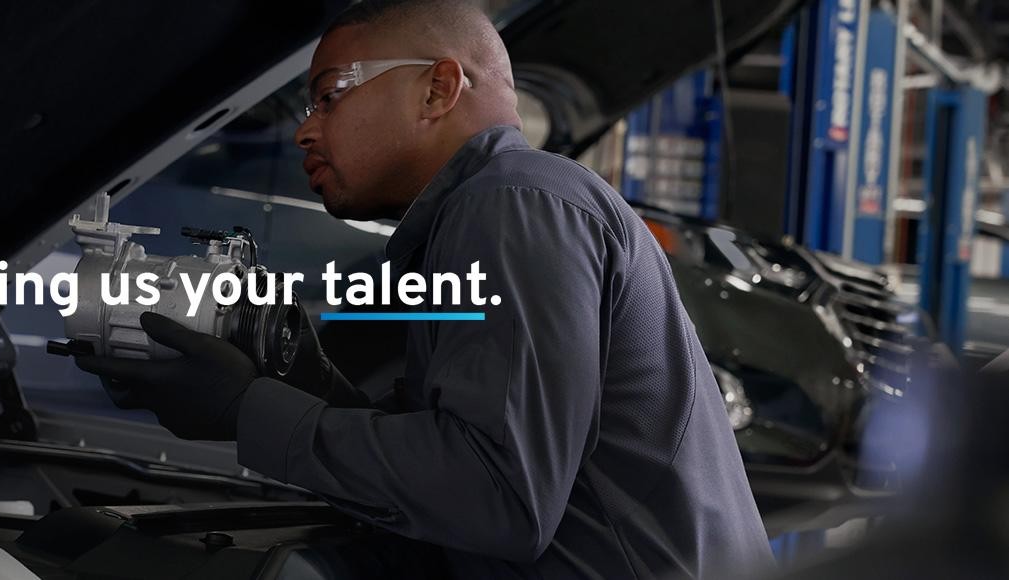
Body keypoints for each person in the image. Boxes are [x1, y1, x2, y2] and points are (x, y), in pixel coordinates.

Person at [76, 0, 773, 577]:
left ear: (437, 89)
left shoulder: (514, 205)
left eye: (328, 95)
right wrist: (308, 387)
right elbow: (448, 464)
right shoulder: (491, 214)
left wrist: (246, 410)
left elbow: (495, 497)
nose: (304, 130)